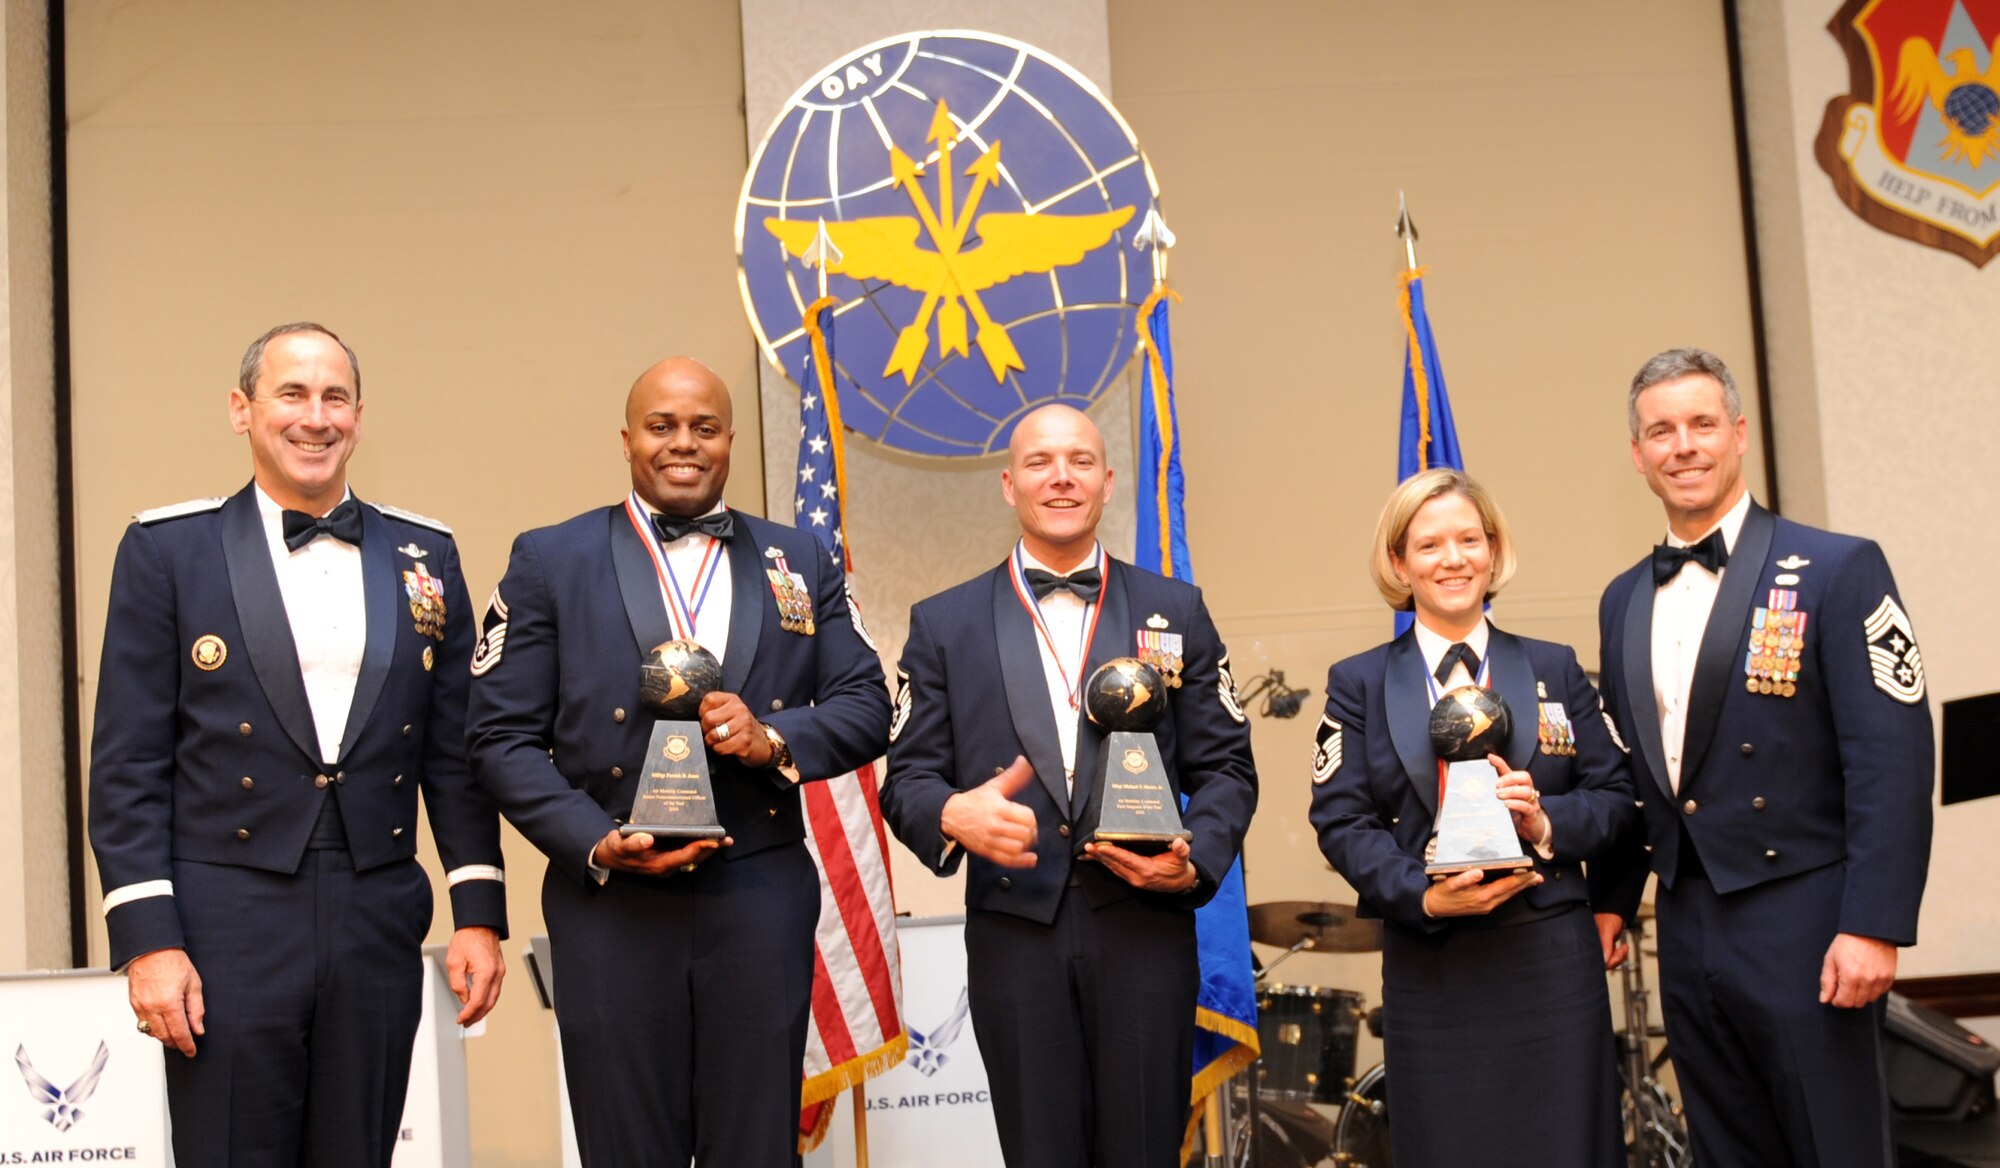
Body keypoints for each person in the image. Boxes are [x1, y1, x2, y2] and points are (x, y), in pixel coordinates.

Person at [87, 321, 508, 1166]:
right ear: (242, 411)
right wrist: (148, 941)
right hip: (224, 920)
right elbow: (127, 763)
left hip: (376, 911)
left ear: (358, 415)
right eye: (292, 394)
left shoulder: (427, 553)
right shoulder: (168, 550)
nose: (315, 418)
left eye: (335, 397)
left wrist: (478, 915)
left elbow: (452, 755)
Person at [465, 357, 890, 1167]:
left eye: (703, 427)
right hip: (610, 904)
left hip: (758, 894)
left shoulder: (798, 557)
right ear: (627, 440)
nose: (683, 444)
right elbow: (498, 737)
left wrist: (773, 737)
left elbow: (868, 705)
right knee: (626, 1145)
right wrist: (594, 838)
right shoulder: (551, 559)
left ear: (729, 439)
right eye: (662, 426)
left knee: (756, 1147)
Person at [879, 403, 1258, 1168]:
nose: (1062, 477)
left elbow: (1226, 767)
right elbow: (908, 778)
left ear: (1108, 482)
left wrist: (1198, 859)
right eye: (1042, 462)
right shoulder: (944, 623)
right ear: (1008, 484)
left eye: (1081, 460)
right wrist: (953, 813)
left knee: (1147, 1150)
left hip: (1146, 927)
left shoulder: (1175, 610)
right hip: (1015, 933)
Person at [1591, 347, 1933, 1167]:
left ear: (1739, 435)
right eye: (1661, 431)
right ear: (1637, 455)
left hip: (1809, 920)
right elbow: (1637, 772)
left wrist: (1873, 924)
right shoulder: (1622, 597)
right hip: (1685, 922)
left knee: (1834, 1148)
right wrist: (1611, 898)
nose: (1684, 446)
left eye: (1702, 424)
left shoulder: (1837, 567)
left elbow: (1892, 756)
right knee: (1728, 1151)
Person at [1308, 468, 1636, 1168]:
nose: (1452, 559)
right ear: (1398, 563)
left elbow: (1615, 797)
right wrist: (1421, 893)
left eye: (1468, 539)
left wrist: (1544, 822)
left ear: (1493, 549)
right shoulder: (1358, 682)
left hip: (1548, 959)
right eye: (1428, 545)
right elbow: (1340, 820)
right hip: (1434, 969)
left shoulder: (1557, 667)